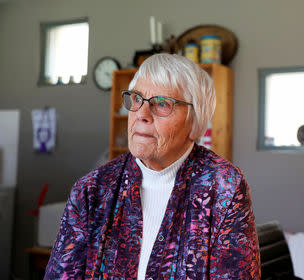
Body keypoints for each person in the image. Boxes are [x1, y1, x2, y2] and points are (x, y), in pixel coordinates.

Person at [44, 53, 260, 279]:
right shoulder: (91, 190)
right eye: (136, 99)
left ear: (195, 124)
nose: (141, 114)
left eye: (162, 104)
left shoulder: (224, 186)